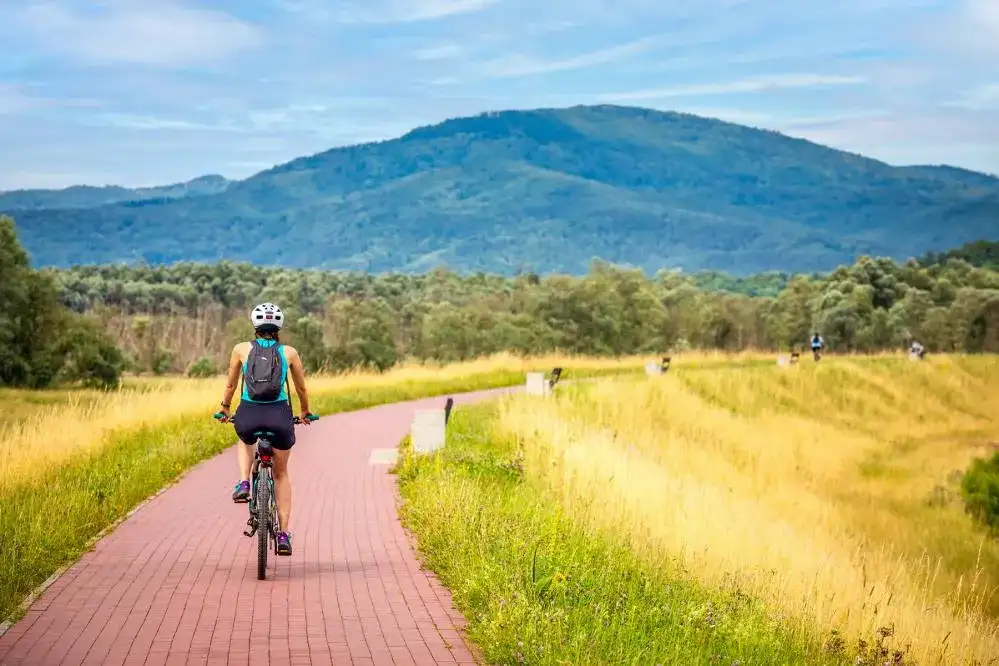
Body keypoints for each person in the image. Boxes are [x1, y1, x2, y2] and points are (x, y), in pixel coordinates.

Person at [217, 302, 315, 556]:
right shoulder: (289, 353)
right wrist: (304, 412)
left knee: (244, 437)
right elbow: (301, 389)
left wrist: (226, 408)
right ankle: (282, 535)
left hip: (249, 413)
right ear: (278, 326)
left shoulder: (241, 349)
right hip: (279, 416)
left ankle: (243, 482)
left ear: (255, 325)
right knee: (281, 474)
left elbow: (230, 386)